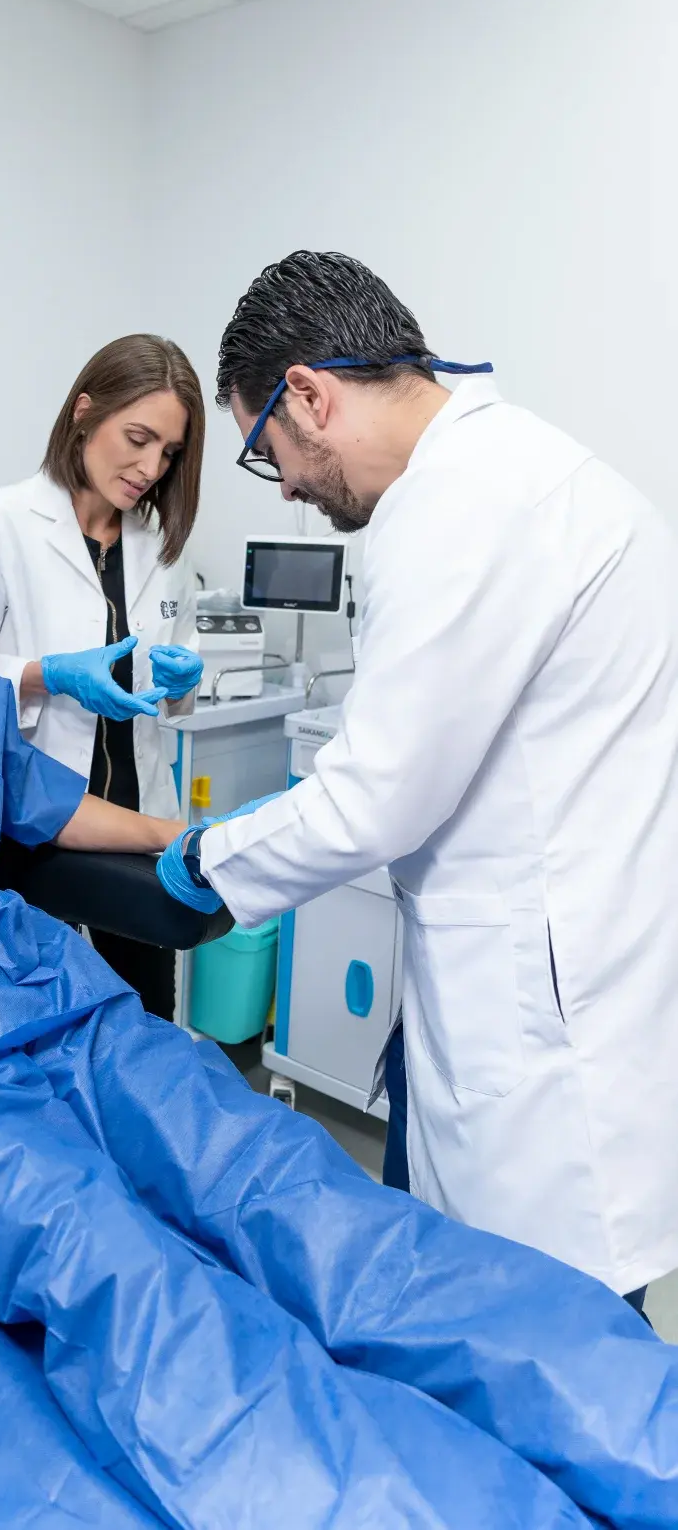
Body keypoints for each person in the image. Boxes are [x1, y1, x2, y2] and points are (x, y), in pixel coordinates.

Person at [0, 435, 678, 1530]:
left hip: (51, 1005)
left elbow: (45, 809)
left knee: (293, 1192)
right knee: (119, 1269)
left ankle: (648, 1436)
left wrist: (190, 839)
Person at [157, 248, 678, 1314]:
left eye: (269, 454)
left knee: (543, 1344)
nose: (292, 489)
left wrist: (205, 858)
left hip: (540, 1017)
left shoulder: (457, 507)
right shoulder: (533, 468)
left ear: (310, 394)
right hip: (569, 965)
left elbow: (375, 798)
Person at [0, 335, 206, 1021]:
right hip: (36, 835)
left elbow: (175, 690)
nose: (149, 467)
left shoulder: (162, 547)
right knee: (42, 1031)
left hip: (140, 830)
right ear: (85, 411)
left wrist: (183, 681)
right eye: (137, 438)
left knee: (146, 1025)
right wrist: (41, 675)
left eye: (168, 452)